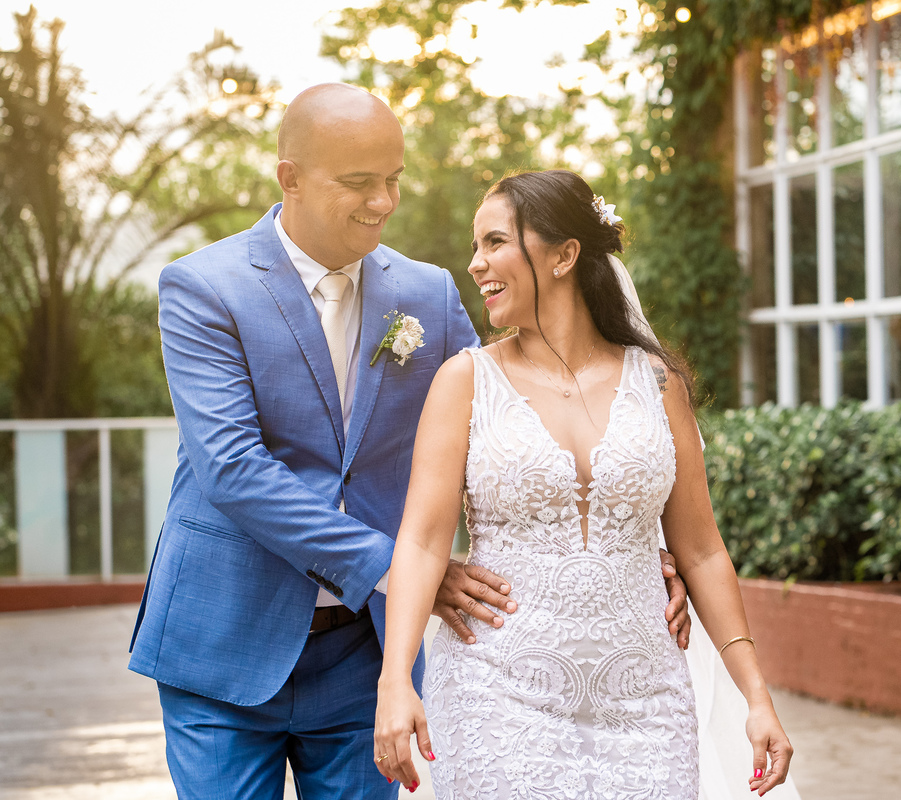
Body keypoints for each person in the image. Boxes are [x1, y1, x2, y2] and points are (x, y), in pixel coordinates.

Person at [127, 84, 692, 799]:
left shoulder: (425, 294)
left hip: (365, 657)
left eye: (393, 180)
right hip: (223, 643)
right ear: (290, 178)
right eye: (359, 183)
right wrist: (399, 568)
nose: (383, 202)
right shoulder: (203, 287)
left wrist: (624, 541)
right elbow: (232, 469)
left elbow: (513, 421)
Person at [372, 169, 794, 798]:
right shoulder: (466, 382)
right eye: (475, 246)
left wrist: (756, 695)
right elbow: (423, 541)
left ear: (565, 254)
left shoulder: (657, 384)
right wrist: (396, 681)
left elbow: (702, 549)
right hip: (499, 695)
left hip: (647, 703)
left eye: (494, 243)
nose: (475, 263)